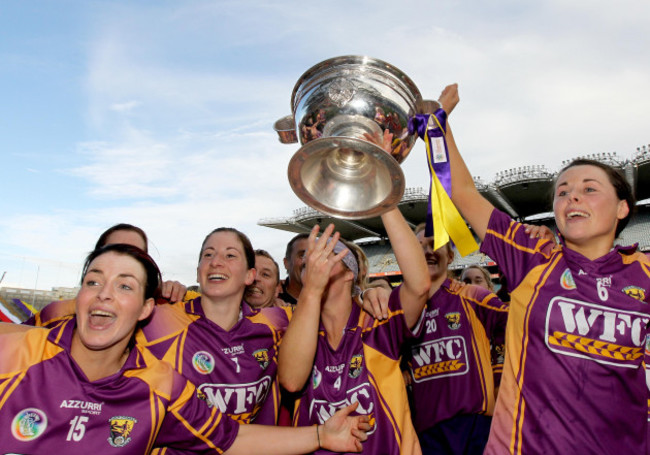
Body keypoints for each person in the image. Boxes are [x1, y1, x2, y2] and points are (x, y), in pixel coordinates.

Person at [440, 83, 650, 453]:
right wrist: (439, 126)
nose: (572, 197)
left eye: (589, 189)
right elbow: (463, 193)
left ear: (622, 208)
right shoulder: (532, 256)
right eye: (563, 191)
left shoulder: (644, 273)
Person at [0, 244, 370, 454]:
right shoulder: (13, 351)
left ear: (147, 309)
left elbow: (231, 436)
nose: (105, 293)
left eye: (125, 286)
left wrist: (321, 436)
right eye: (93, 280)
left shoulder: (160, 387)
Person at [278, 200, 431, 454]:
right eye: (307, 260)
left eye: (327, 253)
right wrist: (312, 292)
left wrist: (385, 201)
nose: (315, 259)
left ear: (350, 272)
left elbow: (419, 286)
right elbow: (291, 382)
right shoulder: (291, 325)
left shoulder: (377, 319)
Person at [137, 227, 291, 428]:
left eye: (230, 255)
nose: (216, 262)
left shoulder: (277, 323)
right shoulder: (158, 320)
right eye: (208, 254)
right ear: (198, 272)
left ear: (249, 276)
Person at [405, 223, 507, 454]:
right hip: (425, 432)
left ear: (450, 256)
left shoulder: (473, 296)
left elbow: (522, 325)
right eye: (419, 246)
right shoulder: (398, 307)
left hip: (474, 425)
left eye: (435, 245)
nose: (427, 251)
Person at [25, 223, 187, 327]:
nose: (123, 259)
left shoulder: (164, 308)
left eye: (135, 254)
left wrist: (173, 293)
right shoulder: (57, 315)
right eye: (114, 250)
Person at [278, 233, 310, 305]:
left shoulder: (330, 299)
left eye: (314, 255)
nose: (309, 261)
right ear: (286, 263)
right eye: (302, 255)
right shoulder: (272, 299)